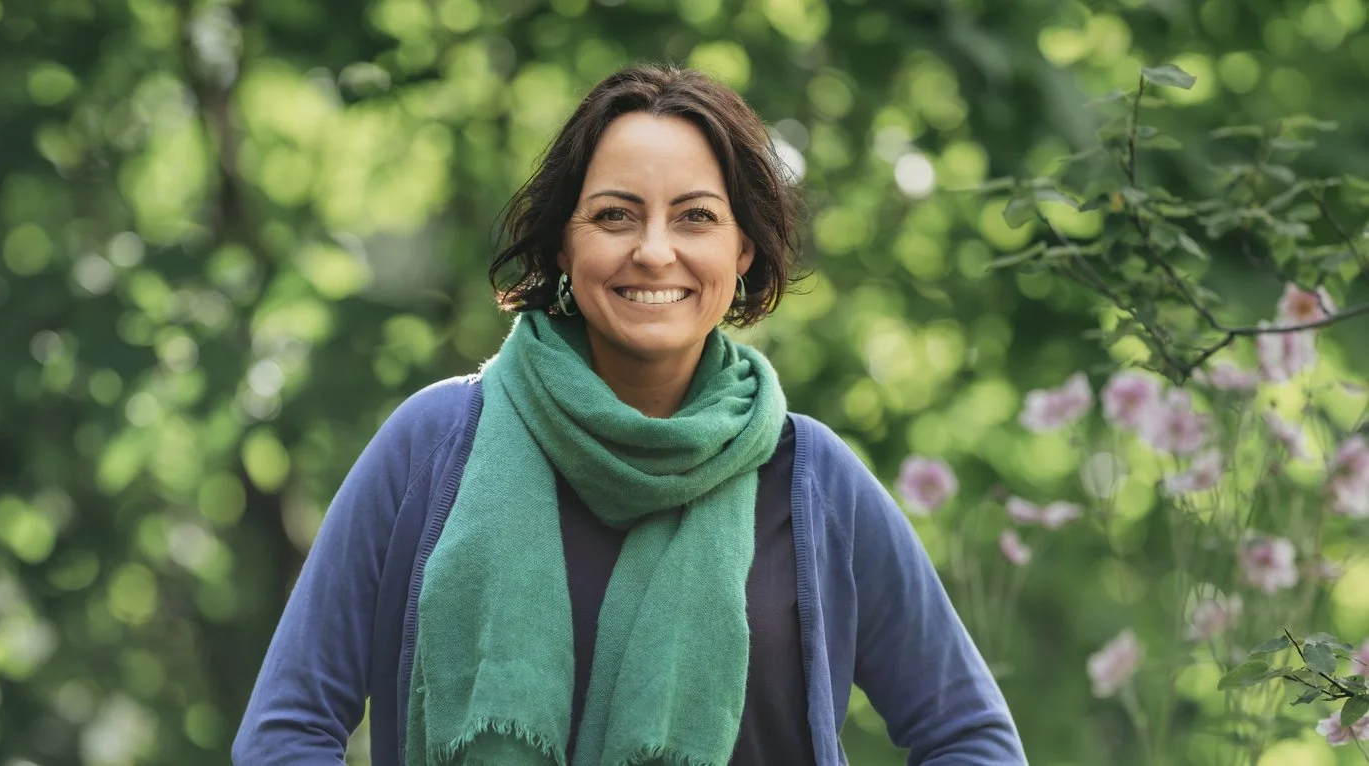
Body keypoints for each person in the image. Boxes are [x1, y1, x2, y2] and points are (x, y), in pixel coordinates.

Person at [232, 63, 1026, 766]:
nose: (653, 250)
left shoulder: (811, 481)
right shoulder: (433, 445)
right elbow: (284, 731)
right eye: (615, 215)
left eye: (695, 217)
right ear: (563, 245)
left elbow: (970, 738)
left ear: (743, 250)